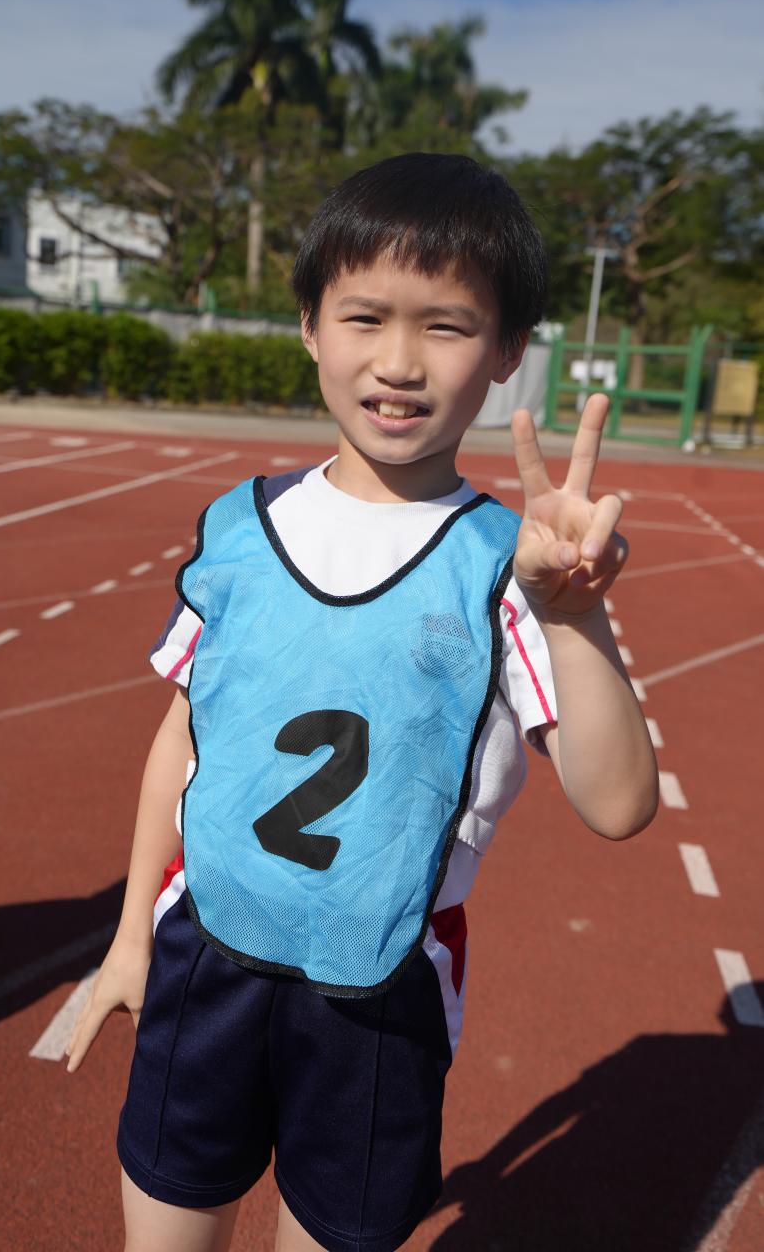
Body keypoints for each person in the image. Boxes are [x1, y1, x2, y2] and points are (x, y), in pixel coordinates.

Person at [65, 152, 659, 1252]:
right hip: (208, 951)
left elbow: (619, 804)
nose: (397, 361)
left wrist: (573, 614)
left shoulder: (515, 566)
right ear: (308, 326)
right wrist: (129, 939)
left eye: (445, 325)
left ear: (508, 351)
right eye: (364, 317)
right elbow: (182, 739)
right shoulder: (238, 524)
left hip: (381, 989)